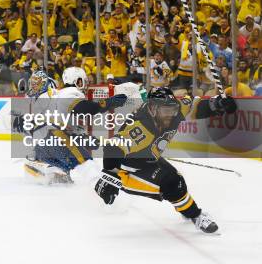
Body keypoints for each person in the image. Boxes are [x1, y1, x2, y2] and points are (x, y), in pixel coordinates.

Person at [95, 87, 237, 233]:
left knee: (178, 181)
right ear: (152, 108)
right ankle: (196, 215)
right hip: (127, 171)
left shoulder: (172, 109)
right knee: (173, 183)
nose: (170, 114)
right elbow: (112, 148)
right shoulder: (140, 127)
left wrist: (218, 105)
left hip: (147, 160)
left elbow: (196, 108)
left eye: (172, 110)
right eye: (166, 110)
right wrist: (110, 176)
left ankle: (186, 209)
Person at [23, 68, 127, 184]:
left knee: (65, 177)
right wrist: (108, 103)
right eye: (83, 81)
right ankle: (100, 192)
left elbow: (63, 122)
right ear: (77, 81)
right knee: (88, 166)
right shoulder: (70, 92)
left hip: (44, 145)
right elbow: (86, 109)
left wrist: (82, 139)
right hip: (57, 139)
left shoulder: (59, 94)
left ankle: (49, 168)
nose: (86, 85)